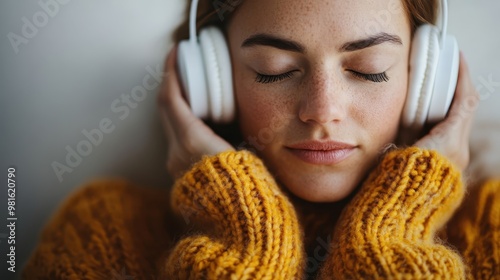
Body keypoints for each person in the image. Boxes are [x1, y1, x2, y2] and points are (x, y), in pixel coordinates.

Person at [23, 0, 499, 279]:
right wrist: (242, 219)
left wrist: (397, 222)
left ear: (426, 80)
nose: (322, 110)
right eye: (275, 72)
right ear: (211, 81)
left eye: (368, 71)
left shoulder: (493, 226)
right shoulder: (102, 228)